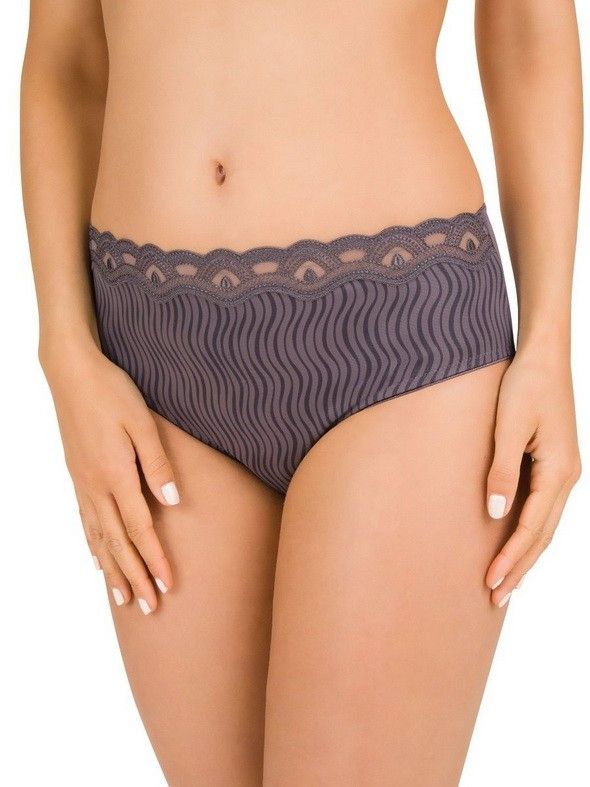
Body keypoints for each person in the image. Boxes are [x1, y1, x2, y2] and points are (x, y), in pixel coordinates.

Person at [20, 1, 582, 784]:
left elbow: (527, 28)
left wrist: (550, 342)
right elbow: (68, 56)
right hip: (150, 366)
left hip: (396, 346)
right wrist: (65, 348)